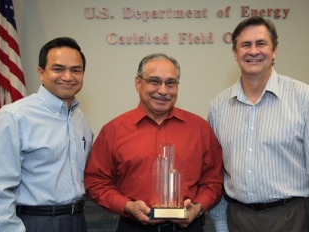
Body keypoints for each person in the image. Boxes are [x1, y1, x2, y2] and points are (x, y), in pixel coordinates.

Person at [208, 16, 309, 232]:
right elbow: (217, 175)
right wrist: (220, 225)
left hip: (292, 219)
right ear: (235, 53)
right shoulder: (218, 107)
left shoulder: (306, 99)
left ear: (274, 50)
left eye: (261, 43)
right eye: (245, 45)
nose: (253, 51)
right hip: (238, 219)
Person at [84, 53, 223, 232]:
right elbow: (96, 181)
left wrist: (198, 206)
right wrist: (128, 206)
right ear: (138, 83)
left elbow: (214, 180)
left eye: (170, 83)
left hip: (188, 227)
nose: (163, 91)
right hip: (133, 227)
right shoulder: (114, 130)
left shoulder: (200, 128)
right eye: (154, 81)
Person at [0, 37, 93, 232]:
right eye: (58, 69)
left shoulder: (79, 118)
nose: (68, 76)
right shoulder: (13, 117)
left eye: (76, 70)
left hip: (77, 220)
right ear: (41, 72)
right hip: (34, 222)